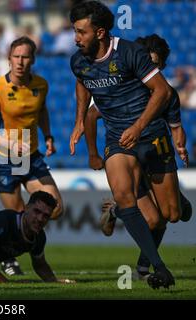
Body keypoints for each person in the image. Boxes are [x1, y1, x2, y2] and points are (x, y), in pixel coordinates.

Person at [69, 1, 175, 289]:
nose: (76, 38)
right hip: (117, 138)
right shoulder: (78, 60)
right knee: (125, 195)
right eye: (75, 31)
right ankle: (158, 268)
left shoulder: (130, 53)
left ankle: (128, 210)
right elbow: (82, 82)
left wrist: (138, 126)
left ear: (100, 32)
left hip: (150, 135)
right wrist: (80, 121)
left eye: (81, 32)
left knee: (168, 215)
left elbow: (163, 91)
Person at [84, 34, 192, 280]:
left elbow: (176, 125)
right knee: (152, 220)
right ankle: (145, 268)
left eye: (155, 64)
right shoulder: (121, 89)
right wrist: (93, 152)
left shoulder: (166, 93)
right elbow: (91, 115)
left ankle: (118, 211)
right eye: (147, 63)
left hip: (157, 149)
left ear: (162, 66)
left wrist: (180, 145)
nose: (150, 69)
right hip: (128, 155)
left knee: (173, 216)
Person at [0, 36, 63, 276]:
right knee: (17, 218)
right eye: (16, 57)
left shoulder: (41, 85)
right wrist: (8, 143)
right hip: (4, 159)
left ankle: (28, 250)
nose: (20, 62)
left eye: (25, 57)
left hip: (31, 156)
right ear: (8, 59)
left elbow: (42, 110)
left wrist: (48, 135)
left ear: (33, 59)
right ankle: (8, 258)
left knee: (55, 208)